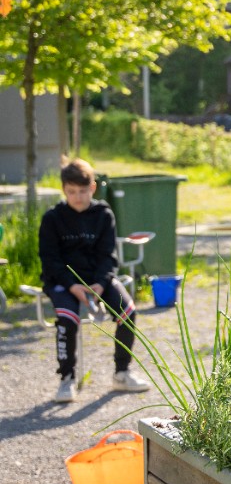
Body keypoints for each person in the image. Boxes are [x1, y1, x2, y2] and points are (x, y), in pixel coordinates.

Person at [39, 159, 150, 403]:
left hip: (99, 279)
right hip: (63, 281)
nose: (77, 197)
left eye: (82, 191)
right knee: (67, 318)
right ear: (64, 190)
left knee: (128, 313)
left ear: (93, 187)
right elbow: (50, 261)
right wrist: (73, 286)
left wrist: (100, 284)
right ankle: (66, 379)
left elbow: (108, 256)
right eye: (71, 192)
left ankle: (122, 373)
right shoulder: (52, 218)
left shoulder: (104, 214)